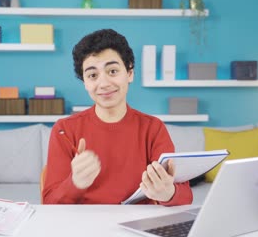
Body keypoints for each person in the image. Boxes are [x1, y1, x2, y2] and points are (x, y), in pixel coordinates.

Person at [41, 29, 193, 206]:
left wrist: (168, 193)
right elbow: (50, 204)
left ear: (129, 73)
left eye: (112, 71)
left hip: (139, 227)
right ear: (85, 83)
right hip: (83, 229)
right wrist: (74, 183)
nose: (104, 83)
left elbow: (185, 195)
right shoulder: (64, 130)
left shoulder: (153, 128)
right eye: (92, 75)